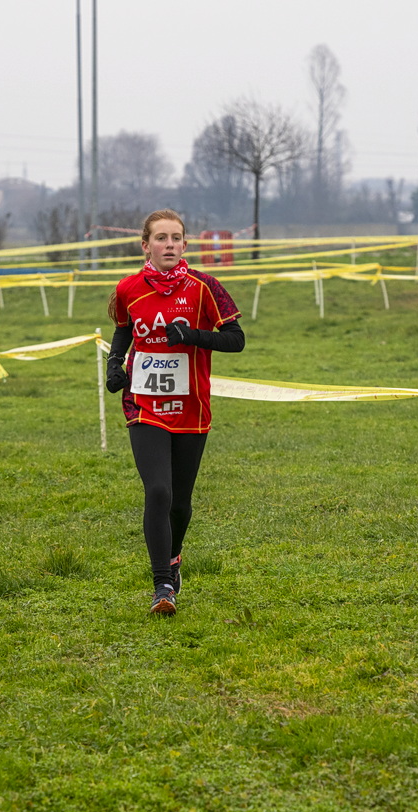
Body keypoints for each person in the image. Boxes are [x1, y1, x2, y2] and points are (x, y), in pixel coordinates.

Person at [105, 209, 244, 615]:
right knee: (158, 492)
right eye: (161, 238)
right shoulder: (129, 288)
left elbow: (236, 339)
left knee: (180, 502)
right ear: (145, 245)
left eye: (176, 238)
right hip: (143, 403)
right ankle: (162, 585)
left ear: (185, 244)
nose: (169, 245)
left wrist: (192, 336)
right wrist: (114, 364)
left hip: (191, 407)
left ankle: (174, 557)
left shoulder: (205, 287)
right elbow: (124, 328)